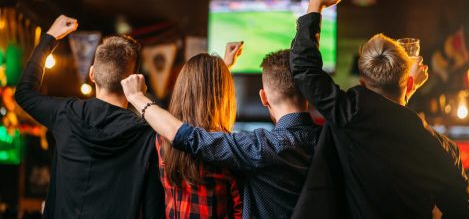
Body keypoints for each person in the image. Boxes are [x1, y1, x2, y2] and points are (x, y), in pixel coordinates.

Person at [290, 0, 469, 218]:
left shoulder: (348, 113)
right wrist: (406, 91)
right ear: (407, 83)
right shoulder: (444, 150)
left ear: (364, 83)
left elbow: (304, 69)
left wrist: (316, 3)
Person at [121, 48, 321, 219]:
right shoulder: (325, 139)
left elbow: (182, 133)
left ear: (264, 97)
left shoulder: (161, 141)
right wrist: (219, 74)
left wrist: (136, 96)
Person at [15, 16, 164, 219]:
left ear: (92, 74)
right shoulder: (147, 135)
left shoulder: (66, 114)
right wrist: (139, 98)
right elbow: (153, 208)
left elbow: (24, 92)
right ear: (134, 81)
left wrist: (49, 39)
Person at [155, 52, 242, 218]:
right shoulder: (225, 146)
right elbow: (240, 209)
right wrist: (219, 75)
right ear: (223, 95)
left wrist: (221, 69)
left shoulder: (162, 138)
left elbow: (199, 90)